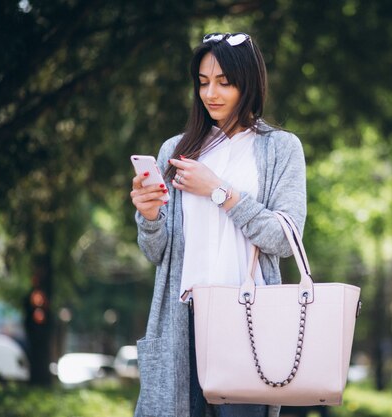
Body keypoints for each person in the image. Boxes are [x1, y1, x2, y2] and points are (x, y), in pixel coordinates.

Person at [129, 32, 307, 417]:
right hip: (183, 319)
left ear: (250, 83)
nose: (211, 93)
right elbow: (156, 252)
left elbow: (283, 237)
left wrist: (219, 191)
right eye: (204, 82)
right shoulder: (176, 151)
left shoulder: (281, 148)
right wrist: (148, 217)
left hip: (248, 319)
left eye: (225, 82)